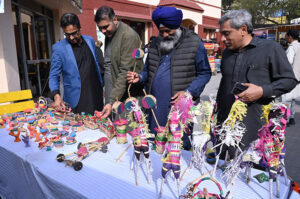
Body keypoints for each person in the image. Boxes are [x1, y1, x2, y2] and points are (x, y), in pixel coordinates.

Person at [216, 10, 297, 154]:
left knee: (252, 172)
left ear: (243, 29)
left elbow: (289, 80)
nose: (222, 39)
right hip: (226, 126)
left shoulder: (270, 49)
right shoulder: (228, 53)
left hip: (256, 130)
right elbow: (224, 84)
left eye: (226, 33)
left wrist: (262, 91)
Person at [127, 6, 211, 136]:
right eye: (161, 32)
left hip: (178, 107)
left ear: (177, 26)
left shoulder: (194, 43)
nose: (164, 35)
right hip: (154, 105)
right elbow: (148, 69)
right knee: (155, 141)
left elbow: (204, 73)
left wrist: (188, 92)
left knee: (176, 146)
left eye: (168, 31)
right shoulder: (155, 43)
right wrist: (140, 77)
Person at [49, 13, 103, 115]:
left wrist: (101, 87)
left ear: (79, 28)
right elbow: (53, 75)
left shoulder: (90, 40)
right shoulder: (59, 48)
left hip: (96, 95)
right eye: (67, 34)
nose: (71, 37)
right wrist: (56, 96)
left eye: (74, 33)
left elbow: (96, 65)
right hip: (77, 100)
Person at [94, 6, 144, 117]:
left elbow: (125, 72)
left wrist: (111, 100)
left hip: (128, 94)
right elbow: (109, 64)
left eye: (106, 27)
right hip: (115, 91)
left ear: (115, 20)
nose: (103, 31)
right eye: (100, 28)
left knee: (125, 130)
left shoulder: (128, 36)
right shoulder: (109, 33)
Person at [282, 29, 300, 125]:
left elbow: (288, 63)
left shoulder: (291, 48)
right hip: (298, 77)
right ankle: (292, 117)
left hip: (291, 77)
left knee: (286, 98)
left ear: (290, 37)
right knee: (293, 97)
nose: (285, 37)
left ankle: (287, 119)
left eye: (286, 35)